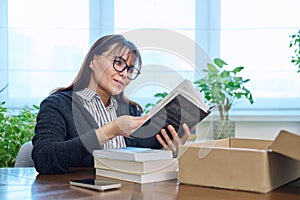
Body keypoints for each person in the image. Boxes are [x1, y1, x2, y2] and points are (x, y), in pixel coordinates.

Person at [32, 34, 191, 174]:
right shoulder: (57, 105)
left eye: (130, 70)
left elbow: (138, 165)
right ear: (93, 61)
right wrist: (111, 130)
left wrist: (166, 152)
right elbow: (44, 159)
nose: (124, 73)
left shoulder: (131, 110)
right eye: (118, 62)